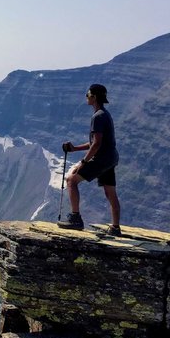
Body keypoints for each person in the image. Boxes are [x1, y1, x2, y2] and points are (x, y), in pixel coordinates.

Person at [57, 84, 121, 235]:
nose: (86, 97)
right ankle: (116, 228)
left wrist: (84, 162)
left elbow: (97, 143)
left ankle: (75, 219)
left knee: (71, 180)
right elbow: (95, 142)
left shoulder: (97, 116)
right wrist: (75, 148)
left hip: (102, 158)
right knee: (110, 192)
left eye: (88, 94)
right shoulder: (105, 114)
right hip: (111, 158)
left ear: (94, 97)